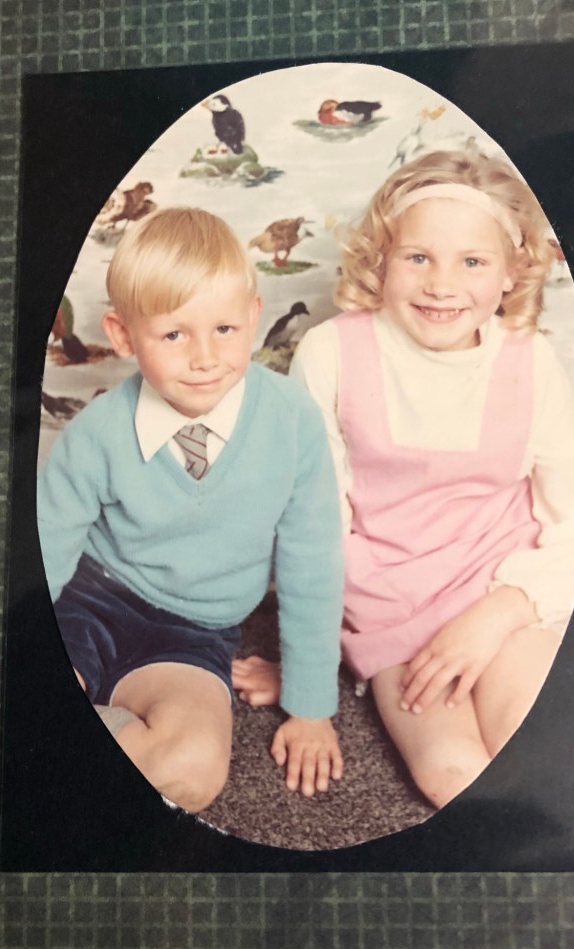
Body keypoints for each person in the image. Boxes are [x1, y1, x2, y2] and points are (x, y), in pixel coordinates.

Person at [233, 149, 574, 808]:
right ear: (379, 259)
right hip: (390, 610)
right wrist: (307, 675)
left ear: (509, 272)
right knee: (452, 776)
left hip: (500, 590)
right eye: (417, 258)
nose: (441, 285)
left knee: (546, 742)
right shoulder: (331, 352)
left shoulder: (531, 361)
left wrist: (503, 610)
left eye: (471, 261)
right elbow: (313, 527)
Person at [38, 207, 344, 812]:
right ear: (123, 337)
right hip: (89, 598)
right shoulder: (97, 433)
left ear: (254, 318)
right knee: (19, 702)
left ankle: (68, 760)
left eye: (225, 330)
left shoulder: (293, 422)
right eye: (174, 335)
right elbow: (44, 550)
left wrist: (311, 707)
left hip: (194, 633)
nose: (205, 357)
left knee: (195, 772)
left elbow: (314, 564)